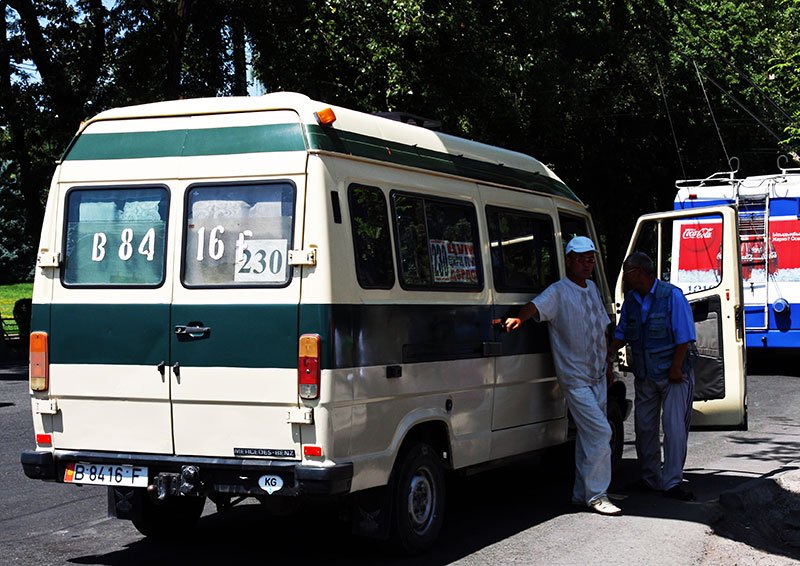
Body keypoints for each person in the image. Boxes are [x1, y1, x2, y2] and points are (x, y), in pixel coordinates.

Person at [504, 236, 620, 516]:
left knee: (588, 437)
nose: (586, 263)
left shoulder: (592, 288)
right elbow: (535, 306)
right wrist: (520, 318)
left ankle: (582, 493)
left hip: (597, 375)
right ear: (568, 260)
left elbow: (602, 330)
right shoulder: (558, 291)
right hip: (575, 379)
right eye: (580, 258)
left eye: (590, 258)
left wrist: (608, 365)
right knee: (602, 432)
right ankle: (598, 494)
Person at [608, 252, 697, 501]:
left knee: (674, 428)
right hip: (646, 375)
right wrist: (611, 350)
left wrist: (676, 368)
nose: (626, 277)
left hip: (673, 375)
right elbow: (624, 330)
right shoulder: (632, 300)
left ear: (641, 272)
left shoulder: (672, 296)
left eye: (628, 272)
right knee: (644, 428)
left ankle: (672, 482)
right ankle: (651, 479)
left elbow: (685, 336)